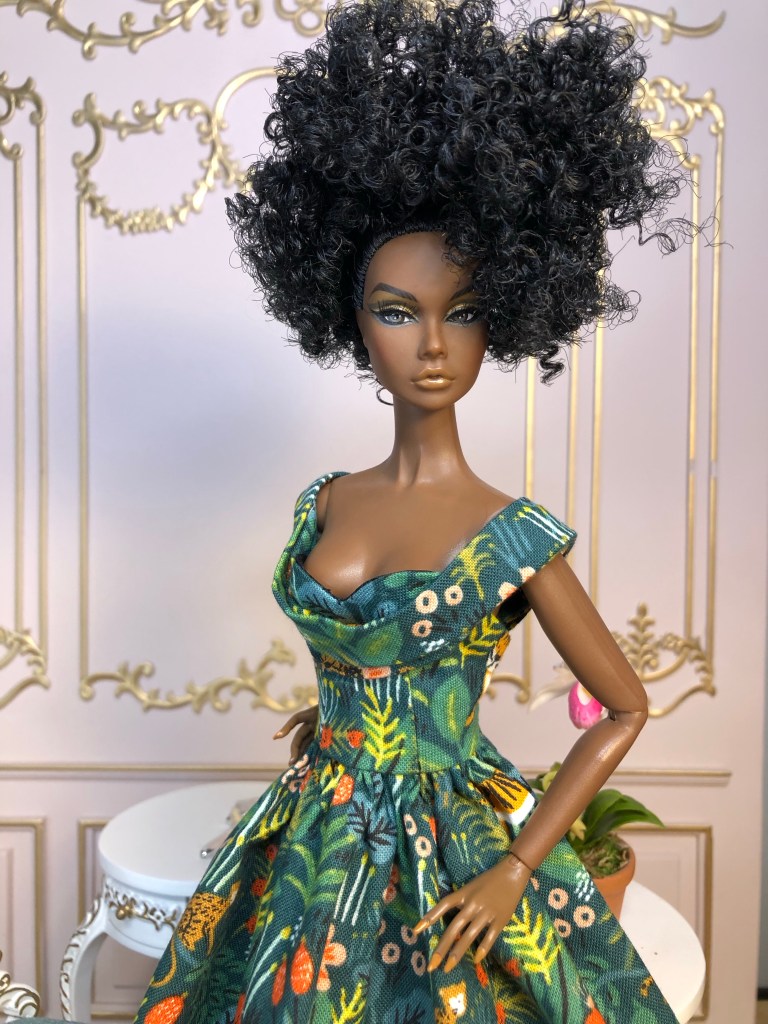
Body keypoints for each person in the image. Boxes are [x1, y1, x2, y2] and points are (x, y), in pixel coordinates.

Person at [135, 1, 693, 1021]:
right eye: (398, 312)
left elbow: (625, 706)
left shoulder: (512, 536)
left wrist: (517, 869)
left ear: (508, 315)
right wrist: (347, 702)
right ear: (350, 319)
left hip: (449, 847)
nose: (432, 345)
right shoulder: (325, 501)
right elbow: (364, 642)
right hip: (313, 827)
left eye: (464, 312)